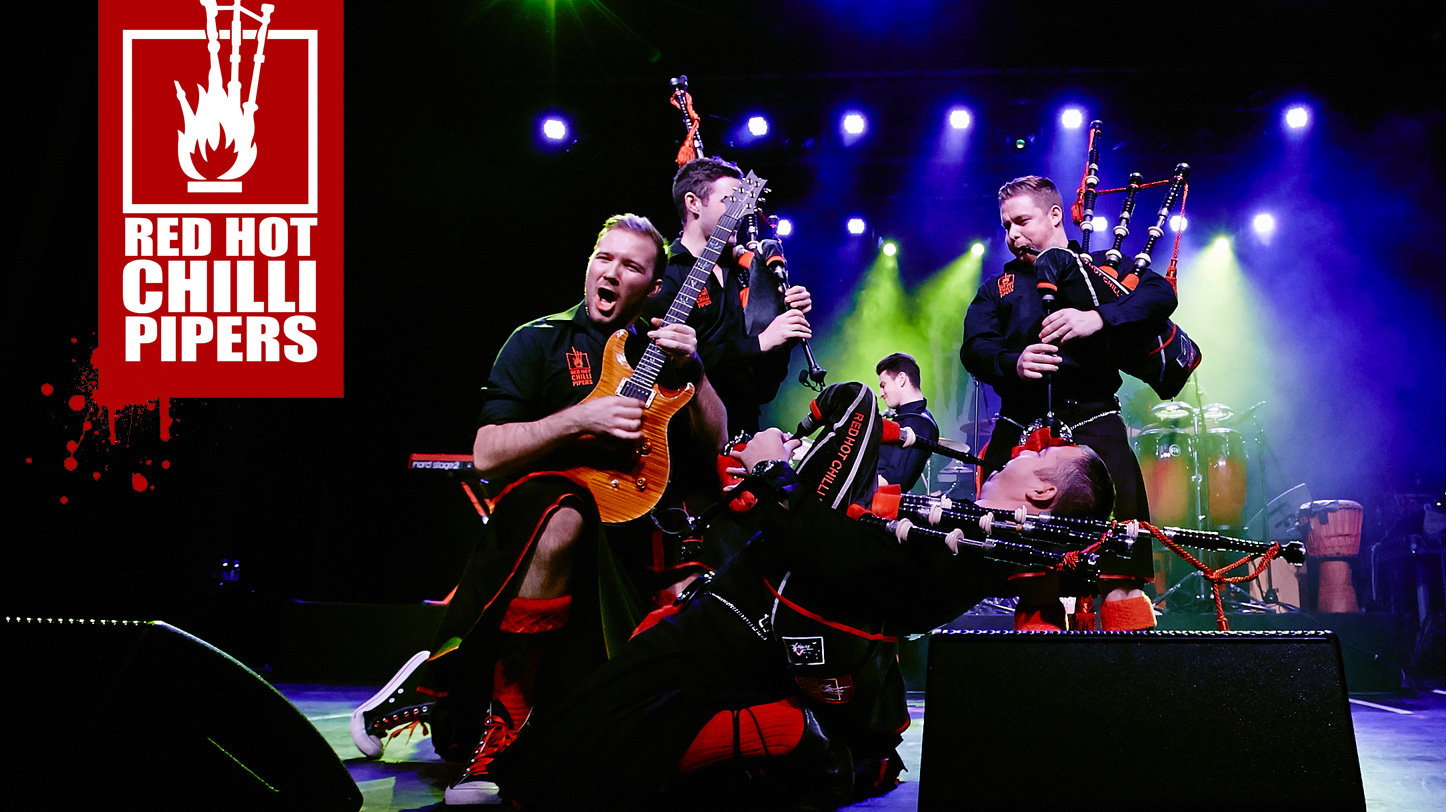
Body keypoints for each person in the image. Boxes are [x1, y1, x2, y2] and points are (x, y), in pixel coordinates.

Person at [488, 382, 1117, 811]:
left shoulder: (980, 553)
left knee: (588, 762)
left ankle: (801, 744)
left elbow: (834, 556)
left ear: (1041, 494)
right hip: (747, 618)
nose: (1021, 451)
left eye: (1042, 457)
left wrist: (770, 473)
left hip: (751, 634)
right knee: (583, 736)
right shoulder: (981, 539)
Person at [350, 214, 727, 805]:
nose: (611, 273)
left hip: (630, 533)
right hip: (539, 530)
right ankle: (501, 726)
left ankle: (440, 681)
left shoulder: (666, 349)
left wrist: (697, 372)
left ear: (654, 287)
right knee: (563, 507)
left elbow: (714, 443)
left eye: (631, 266)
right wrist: (581, 418)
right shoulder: (538, 340)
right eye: (604, 258)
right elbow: (487, 452)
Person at [961, 174, 1177, 632]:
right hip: (1021, 429)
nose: (1012, 234)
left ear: (1055, 215)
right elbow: (974, 348)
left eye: (1022, 220)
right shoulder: (997, 289)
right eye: (1006, 225)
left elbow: (1161, 295)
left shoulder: (1100, 266)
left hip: (1096, 422)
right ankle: (1040, 690)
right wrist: (1012, 362)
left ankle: (1138, 688)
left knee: (1121, 570)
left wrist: (1098, 317)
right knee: (1032, 577)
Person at [647, 156, 813, 439]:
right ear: (693, 203)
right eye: (729, 201)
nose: (742, 212)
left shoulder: (746, 272)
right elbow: (671, 364)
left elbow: (764, 389)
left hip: (745, 434)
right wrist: (761, 342)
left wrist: (782, 330)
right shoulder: (664, 274)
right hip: (686, 437)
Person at [874, 352, 940, 492]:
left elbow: (893, 478)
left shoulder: (919, 424)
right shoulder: (905, 418)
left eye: (883, 385)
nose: (880, 393)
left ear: (901, 379)